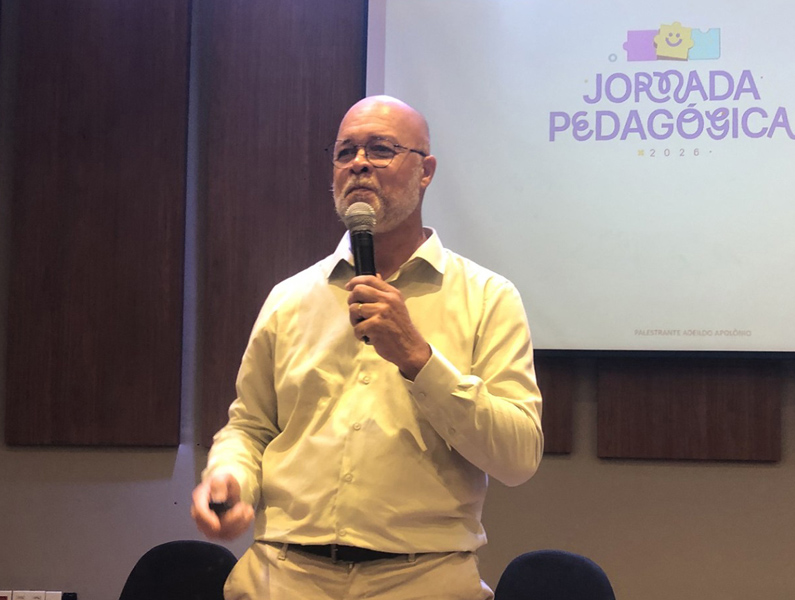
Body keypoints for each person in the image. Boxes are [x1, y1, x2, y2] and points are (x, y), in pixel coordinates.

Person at [191, 95, 543, 600]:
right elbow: (250, 427)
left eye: (380, 149)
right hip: (282, 576)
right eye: (345, 152)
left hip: (421, 580)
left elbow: (518, 457)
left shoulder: (488, 297)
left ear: (426, 171)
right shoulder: (290, 298)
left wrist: (418, 359)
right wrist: (228, 477)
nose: (358, 164)